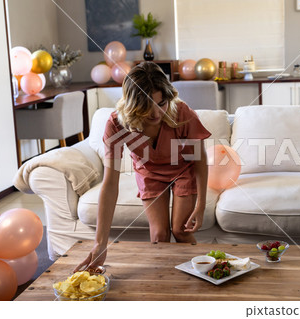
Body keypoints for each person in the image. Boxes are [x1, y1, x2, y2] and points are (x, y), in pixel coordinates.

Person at [75, 62, 211, 272]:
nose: (156, 113)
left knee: (181, 231)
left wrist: (200, 205)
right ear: (132, 104)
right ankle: (163, 284)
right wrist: (100, 244)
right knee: (159, 236)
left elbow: (199, 160)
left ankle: (207, 273)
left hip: (184, 170)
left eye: (161, 103)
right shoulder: (116, 125)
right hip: (149, 173)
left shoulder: (183, 113)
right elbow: (110, 184)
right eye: (148, 105)